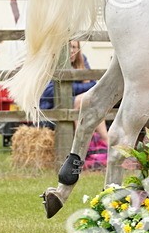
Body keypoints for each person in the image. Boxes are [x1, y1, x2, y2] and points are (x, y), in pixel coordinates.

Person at [38, 40, 108, 169]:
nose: (71, 50)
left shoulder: (82, 61)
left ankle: (97, 147)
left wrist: (73, 87)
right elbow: (48, 92)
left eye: (74, 47)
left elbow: (94, 85)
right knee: (83, 100)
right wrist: (81, 86)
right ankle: (97, 146)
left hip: (77, 107)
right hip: (52, 110)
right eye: (68, 47)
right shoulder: (52, 63)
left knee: (89, 101)